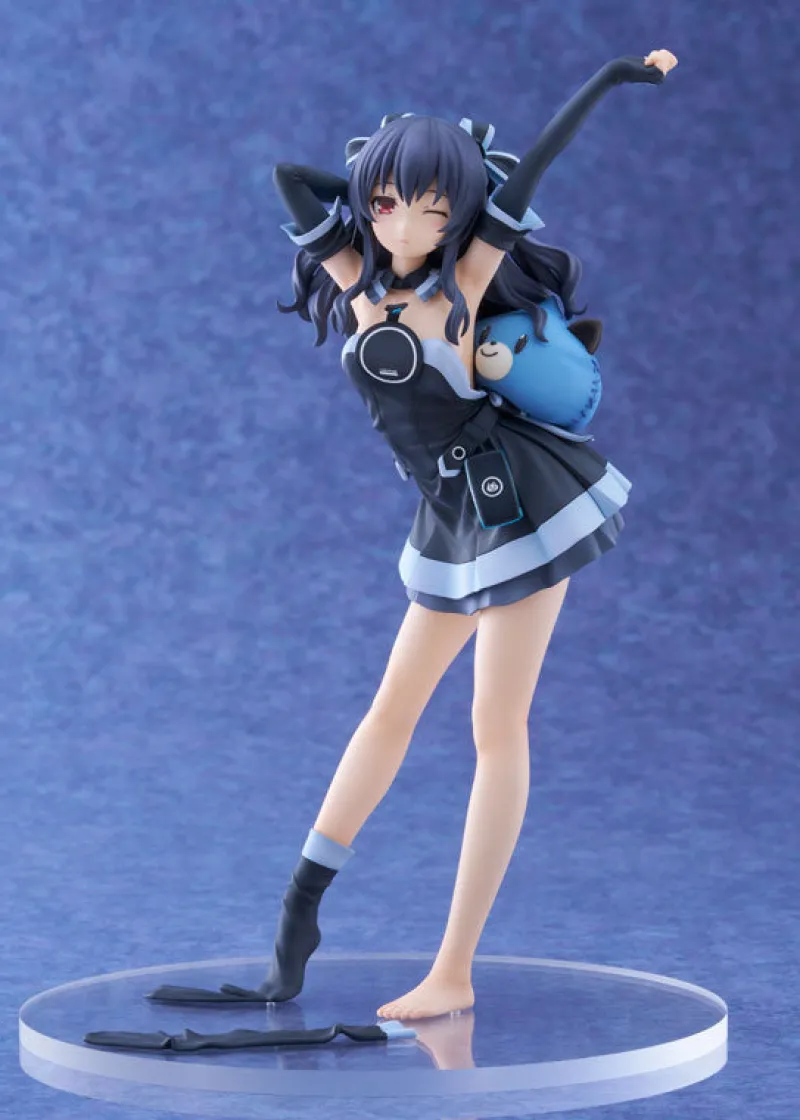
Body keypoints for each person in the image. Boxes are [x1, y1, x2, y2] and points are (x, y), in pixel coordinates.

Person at [155, 48, 678, 1022]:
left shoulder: (465, 282)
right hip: (446, 517)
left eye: (435, 209)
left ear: (463, 216)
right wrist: (381, 171)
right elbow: (290, 178)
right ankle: (295, 926)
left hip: (519, 501)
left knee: (495, 728)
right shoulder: (359, 281)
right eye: (389, 204)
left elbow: (538, 162)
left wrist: (610, 78)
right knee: (387, 712)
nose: (406, 225)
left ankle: (453, 968)